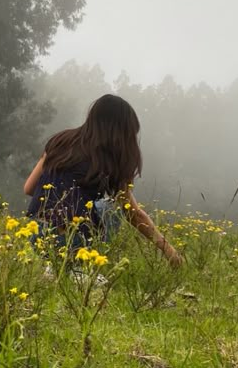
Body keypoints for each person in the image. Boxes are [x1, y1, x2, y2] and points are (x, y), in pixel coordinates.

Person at [23, 94, 183, 268]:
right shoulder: (112, 158)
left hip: (37, 235)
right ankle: (78, 266)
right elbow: (134, 214)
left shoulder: (60, 140)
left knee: (97, 209)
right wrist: (171, 253)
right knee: (114, 207)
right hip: (73, 240)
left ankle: (54, 265)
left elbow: (30, 188)